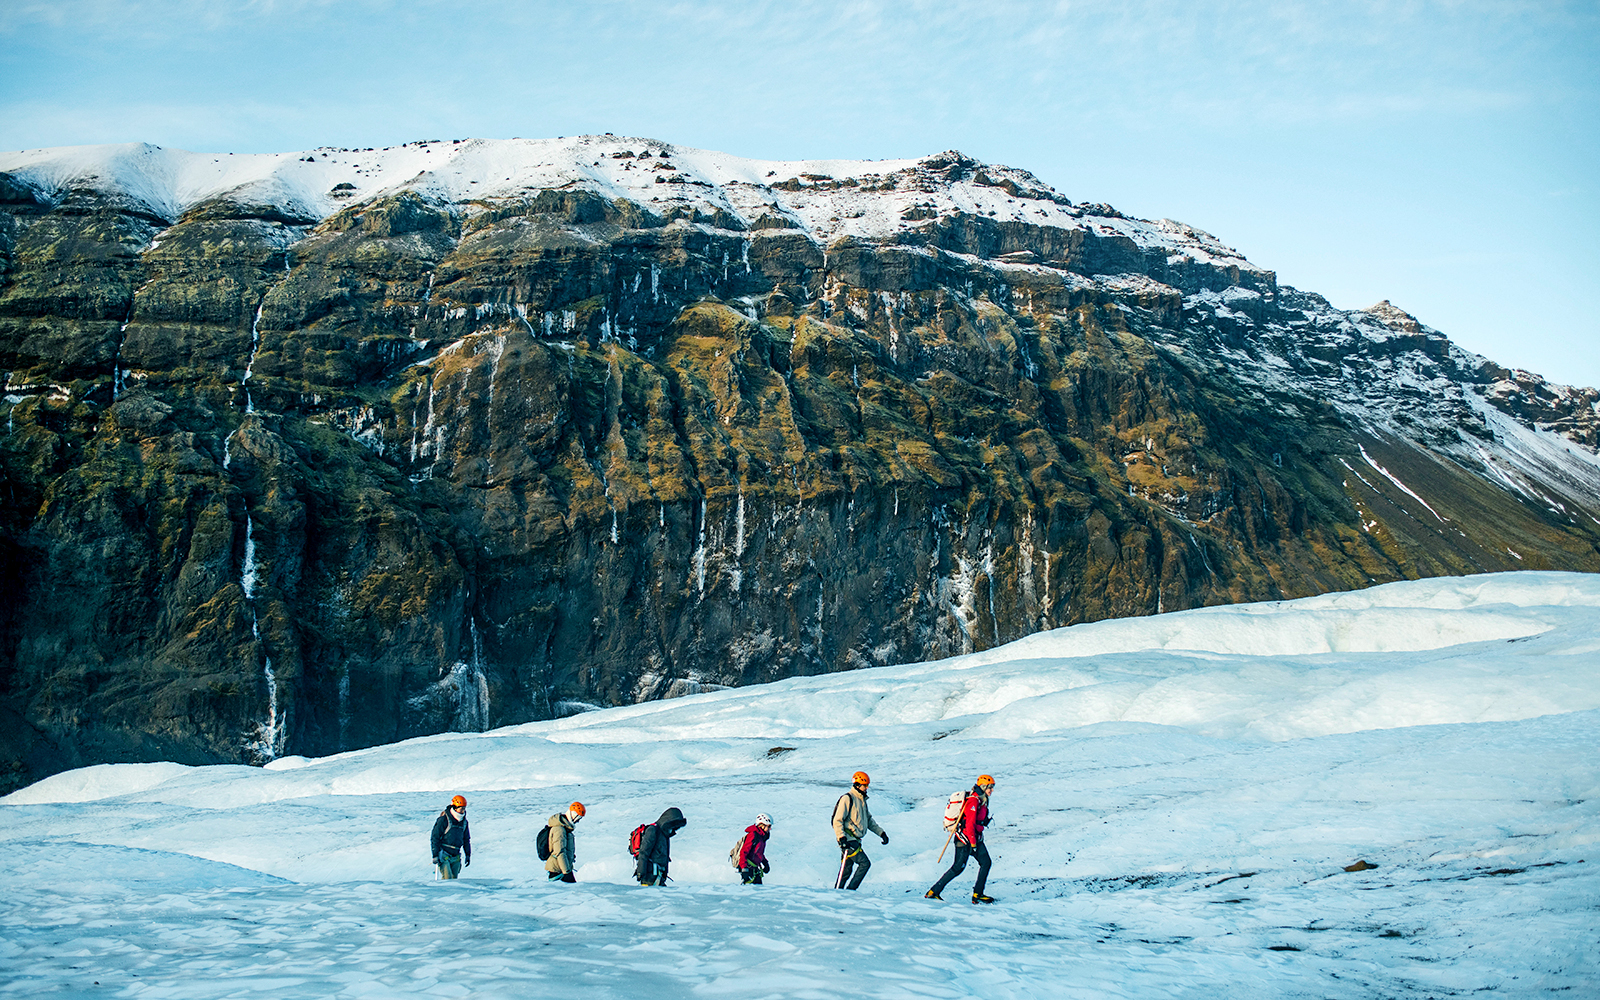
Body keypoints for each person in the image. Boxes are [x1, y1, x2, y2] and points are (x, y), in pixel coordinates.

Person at [926, 774, 995, 903]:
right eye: (990, 787)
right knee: (958, 867)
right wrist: (973, 844)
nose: (991, 790)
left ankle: (978, 894)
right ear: (983, 787)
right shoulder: (974, 801)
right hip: (965, 840)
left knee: (986, 863)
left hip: (975, 839)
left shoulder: (982, 799)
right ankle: (933, 892)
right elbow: (969, 824)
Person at [832, 771, 888, 890]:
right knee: (865, 864)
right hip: (848, 840)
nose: (867, 787)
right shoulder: (847, 799)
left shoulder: (861, 801)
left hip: (855, 840)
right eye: (865, 785)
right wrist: (841, 838)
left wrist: (881, 833)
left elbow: (869, 820)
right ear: (857, 785)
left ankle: (837, 893)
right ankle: (849, 891)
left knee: (846, 870)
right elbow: (837, 820)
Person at [634, 807, 687, 886]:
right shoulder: (652, 830)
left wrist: (665, 874)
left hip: (659, 876)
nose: (674, 829)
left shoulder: (665, 835)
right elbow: (644, 852)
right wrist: (641, 872)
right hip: (649, 877)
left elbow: (665, 857)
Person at [430, 794, 471, 879]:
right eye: (461, 808)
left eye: (464, 808)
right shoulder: (444, 820)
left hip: (456, 855)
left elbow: (466, 839)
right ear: (455, 808)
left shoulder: (464, 822)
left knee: (454, 879)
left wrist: (468, 854)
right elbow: (435, 837)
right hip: (444, 854)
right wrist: (435, 855)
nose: (463, 811)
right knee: (447, 878)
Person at [545, 801, 585, 883]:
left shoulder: (565, 828)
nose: (578, 821)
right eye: (578, 818)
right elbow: (559, 852)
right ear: (573, 815)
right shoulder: (559, 830)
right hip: (558, 871)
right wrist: (567, 872)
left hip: (562, 869)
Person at [736, 814, 772, 885]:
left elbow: (758, 853)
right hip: (748, 868)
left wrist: (765, 863)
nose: (770, 829)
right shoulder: (753, 835)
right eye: (769, 826)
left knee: (758, 893)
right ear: (762, 825)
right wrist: (744, 869)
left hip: (755, 869)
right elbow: (743, 852)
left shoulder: (761, 837)